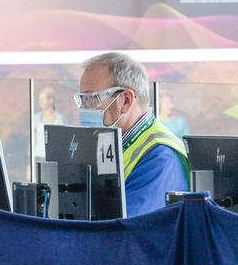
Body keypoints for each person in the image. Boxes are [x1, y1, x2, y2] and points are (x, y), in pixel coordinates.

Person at [76, 52, 190, 217]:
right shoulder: (111, 142)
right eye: (82, 99)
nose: (84, 108)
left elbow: (127, 231)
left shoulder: (161, 157)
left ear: (126, 100)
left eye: (92, 99)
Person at [34, 87, 67, 160]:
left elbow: (64, 141)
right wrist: (30, 163)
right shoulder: (36, 118)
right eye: (39, 100)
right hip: (37, 157)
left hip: (54, 158)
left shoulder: (60, 119)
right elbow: (33, 140)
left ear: (51, 100)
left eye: (43, 99)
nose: (40, 102)